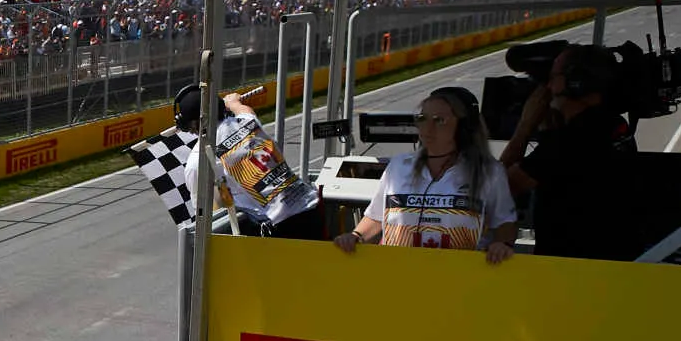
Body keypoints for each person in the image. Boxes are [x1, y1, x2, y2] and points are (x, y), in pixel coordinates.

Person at [334, 87, 517, 263]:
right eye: (422, 118)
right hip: (397, 273)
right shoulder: (398, 166)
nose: (427, 128)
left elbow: (505, 223)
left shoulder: (489, 172)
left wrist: (501, 244)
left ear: (464, 128)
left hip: (461, 278)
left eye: (439, 120)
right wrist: (356, 236)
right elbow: (376, 216)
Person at [501, 45, 638, 260]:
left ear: (576, 82)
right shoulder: (612, 124)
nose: (548, 85)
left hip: (570, 263)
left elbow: (500, 189)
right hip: (609, 255)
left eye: (553, 77)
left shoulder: (571, 140)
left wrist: (525, 127)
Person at [181, 84, 322, 237]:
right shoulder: (248, 122)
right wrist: (234, 103)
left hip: (280, 225)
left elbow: (204, 216)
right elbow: (246, 110)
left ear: (193, 125)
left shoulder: (198, 160)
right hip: (311, 206)